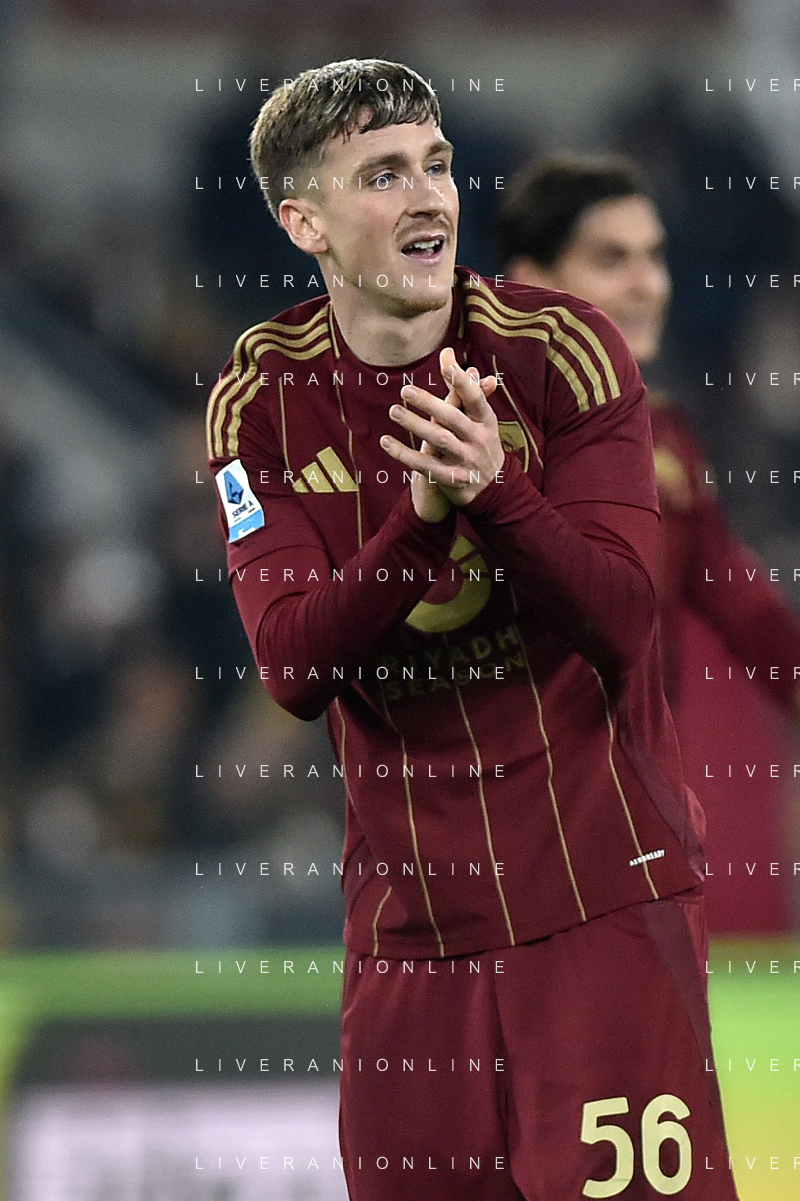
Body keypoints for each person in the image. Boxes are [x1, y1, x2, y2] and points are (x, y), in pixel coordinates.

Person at [207, 61, 738, 1200]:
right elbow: (293, 664)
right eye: (383, 175)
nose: (428, 198)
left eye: (437, 166)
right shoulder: (261, 401)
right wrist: (420, 524)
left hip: (602, 904)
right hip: (409, 943)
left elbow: (623, 617)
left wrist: (496, 492)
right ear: (303, 222)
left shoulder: (564, 348)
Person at [498, 155, 800, 930]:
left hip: (635, 823)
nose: (648, 285)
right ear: (532, 284)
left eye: (655, 257)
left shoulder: (664, 436)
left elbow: (747, 609)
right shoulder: (479, 440)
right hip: (507, 828)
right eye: (613, 259)